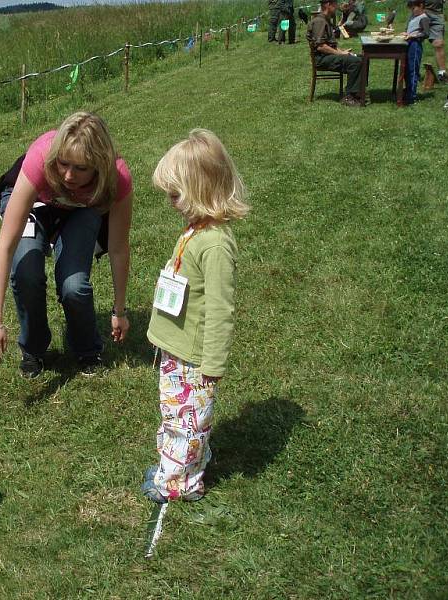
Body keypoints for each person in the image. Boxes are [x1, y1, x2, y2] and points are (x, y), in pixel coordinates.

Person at [140, 130, 250, 504]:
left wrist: (212, 363)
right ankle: (183, 465)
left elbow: (221, 309)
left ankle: (178, 484)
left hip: (193, 358)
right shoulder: (195, 231)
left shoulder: (215, 244)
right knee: (180, 416)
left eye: (176, 194)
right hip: (178, 349)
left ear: (201, 191)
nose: (170, 202)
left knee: (185, 419)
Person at [0, 112, 132, 378]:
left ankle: (87, 350)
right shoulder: (41, 158)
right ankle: (33, 349)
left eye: (81, 168)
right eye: (63, 163)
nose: (68, 175)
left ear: (99, 165)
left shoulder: (116, 178)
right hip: (37, 202)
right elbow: (5, 246)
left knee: (74, 286)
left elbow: (119, 248)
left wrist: (119, 310)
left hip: (80, 210)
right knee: (26, 270)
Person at [307, 0, 364, 106]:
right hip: (321, 59)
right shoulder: (320, 21)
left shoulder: (326, 20)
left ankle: (359, 92)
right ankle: (350, 96)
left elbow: (329, 45)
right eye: (335, 4)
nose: (337, 7)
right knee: (355, 62)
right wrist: (340, 54)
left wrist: (342, 51)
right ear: (328, 5)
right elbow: (321, 47)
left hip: (327, 56)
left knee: (361, 57)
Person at [404, 0, 430, 104]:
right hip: (409, 43)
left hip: (415, 45)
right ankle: (408, 90)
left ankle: (412, 96)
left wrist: (413, 36)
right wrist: (406, 33)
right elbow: (412, 29)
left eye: (414, 8)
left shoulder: (424, 18)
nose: (412, 10)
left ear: (421, 6)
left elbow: (426, 33)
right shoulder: (413, 17)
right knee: (406, 69)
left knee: (413, 69)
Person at [423, 0, 448, 81]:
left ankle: (442, 73)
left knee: (438, 44)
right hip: (420, 12)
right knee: (412, 41)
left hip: (436, 15)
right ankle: (411, 72)